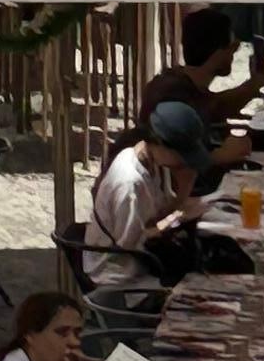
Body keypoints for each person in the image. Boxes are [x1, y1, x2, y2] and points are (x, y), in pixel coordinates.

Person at [89, 94, 215, 282]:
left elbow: (155, 214)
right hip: (120, 275)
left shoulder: (153, 161)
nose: (184, 163)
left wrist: (183, 193)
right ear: (158, 143)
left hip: (146, 259)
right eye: (181, 156)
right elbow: (133, 244)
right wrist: (177, 217)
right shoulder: (129, 184)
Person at [139, 8, 264, 167]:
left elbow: (216, 106)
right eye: (232, 47)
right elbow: (172, 161)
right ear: (217, 52)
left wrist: (254, 85)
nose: (234, 54)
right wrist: (221, 156)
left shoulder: (181, 84)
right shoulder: (172, 95)